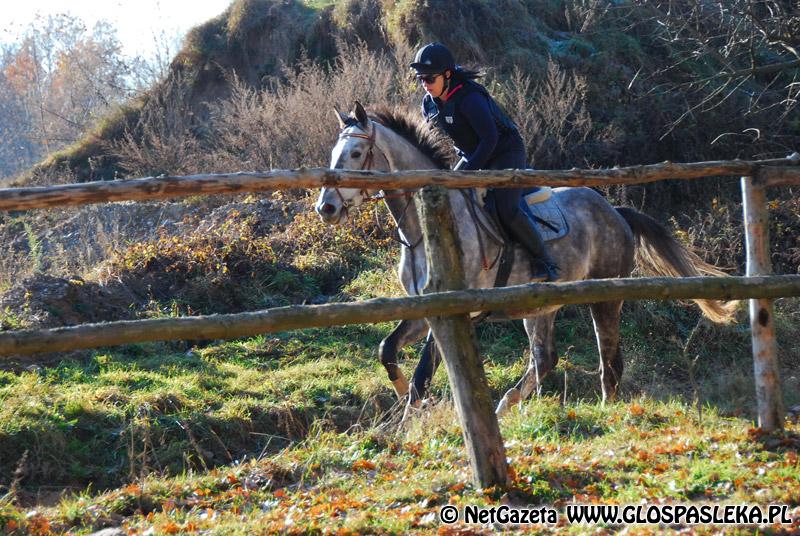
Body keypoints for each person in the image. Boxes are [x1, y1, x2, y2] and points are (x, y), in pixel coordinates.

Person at [410, 42, 559, 281]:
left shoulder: (469, 98)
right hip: (471, 153)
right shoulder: (429, 104)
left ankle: (545, 261)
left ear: (447, 75)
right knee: (447, 195)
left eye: (429, 78)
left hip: (505, 152)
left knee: (506, 209)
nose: (425, 85)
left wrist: (468, 172)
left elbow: (490, 139)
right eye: (420, 79)